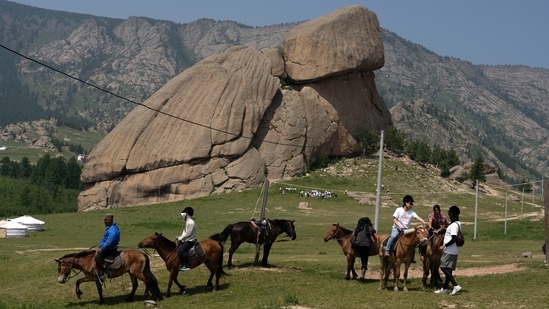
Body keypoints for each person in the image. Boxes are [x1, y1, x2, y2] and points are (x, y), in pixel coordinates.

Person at [435, 205, 462, 295]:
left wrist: (444, 246)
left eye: (450, 214)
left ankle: (455, 285)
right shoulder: (457, 224)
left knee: (443, 267)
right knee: (448, 269)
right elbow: (448, 231)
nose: (449, 216)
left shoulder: (454, 225)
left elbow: (454, 238)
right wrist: (439, 231)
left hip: (449, 250)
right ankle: (445, 288)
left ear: (452, 214)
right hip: (454, 250)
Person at [95, 214, 120, 279]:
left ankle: (108, 272)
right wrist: (100, 246)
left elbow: (109, 242)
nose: (104, 221)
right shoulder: (109, 228)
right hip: (107, 247)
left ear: (109, 220)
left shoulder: (113, 230)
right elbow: (104, 239)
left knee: (98, 259)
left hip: (110, 248)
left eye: (105, 220)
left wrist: (102, 249)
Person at [352, 217, 377, 281]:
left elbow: (354, 235)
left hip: (357, 245)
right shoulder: (370, 228)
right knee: (364, 260)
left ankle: (356, 253)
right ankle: (362, 275)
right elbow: (372, 238)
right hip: (366, 246)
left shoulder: (358, 227)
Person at [177, 207, 197, 271]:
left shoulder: (191, 223)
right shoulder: (187, 222)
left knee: (181, 250)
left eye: (183, 215)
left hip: (190, 241)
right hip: (186, 239)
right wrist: (180, 237)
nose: (182, 217)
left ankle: (186, 265)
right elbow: (184, 231)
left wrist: (181, 238)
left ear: (186, 214)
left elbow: (188, 233)